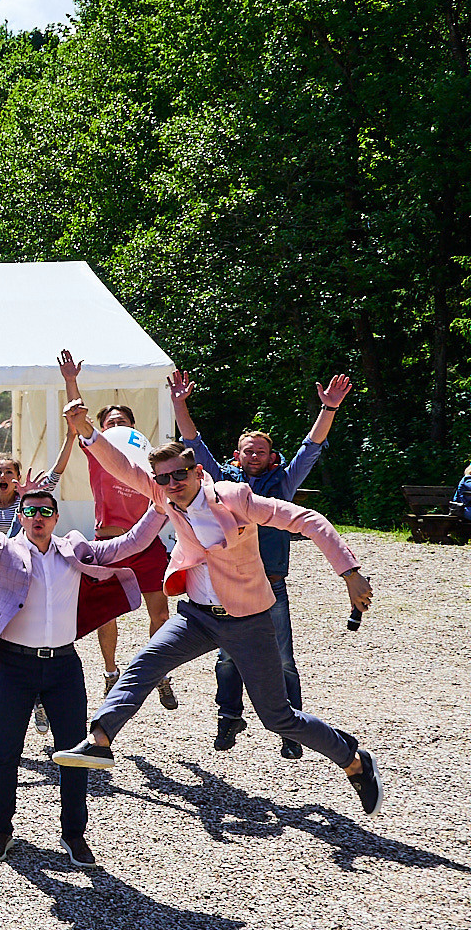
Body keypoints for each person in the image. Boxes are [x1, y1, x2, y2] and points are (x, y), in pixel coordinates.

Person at [51, 402, 383, 822]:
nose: (171, 483)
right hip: (196, 616)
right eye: (163, 478)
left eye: (178, 475)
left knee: (278, 717)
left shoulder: (236, 497)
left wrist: (350, 572)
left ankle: (354, 760)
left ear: (198, 473)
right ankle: (99, 740)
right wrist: (87, 433)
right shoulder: (164, 496)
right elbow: (124, 470)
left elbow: (308, 520)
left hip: (247, 618)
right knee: (143, 666)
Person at [0, 439, 164, 867]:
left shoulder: (75, 547)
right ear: (20, 516)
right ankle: (1, 830)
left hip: (63, 666)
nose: (37, 517)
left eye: (45, 511)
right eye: (30, 511)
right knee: (6, 751)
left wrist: (158, 506)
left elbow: (128, 545)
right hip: (15, 665)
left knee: (73, 752)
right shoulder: (6, 551)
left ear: (56, 517)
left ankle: (74, 835)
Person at [168, 369, 351, 756]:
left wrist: (328, 409)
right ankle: (229, 716)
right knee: (228, 658)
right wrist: (179, 404)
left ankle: (293, 728)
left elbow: (311, 447)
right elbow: (192, 444)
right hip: (228, 584)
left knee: (283, 658)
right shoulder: (219, 483)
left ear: (271, 457)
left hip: (271, 583)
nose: (253, 456)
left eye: (260, 451)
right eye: (247, 451)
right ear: (237, 456)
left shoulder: (281, 483)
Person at [57, 351, 176, 707]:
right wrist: (70, 381)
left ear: (132, 429)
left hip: (146, 543)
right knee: (106, 612)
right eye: (109, 422)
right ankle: (111, 672)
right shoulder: (96, 452)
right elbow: (77, 419)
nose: (114, 425)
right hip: (108, 543)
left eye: (121, 420)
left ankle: (160, 672)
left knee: (161, 612)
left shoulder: (148, 460)